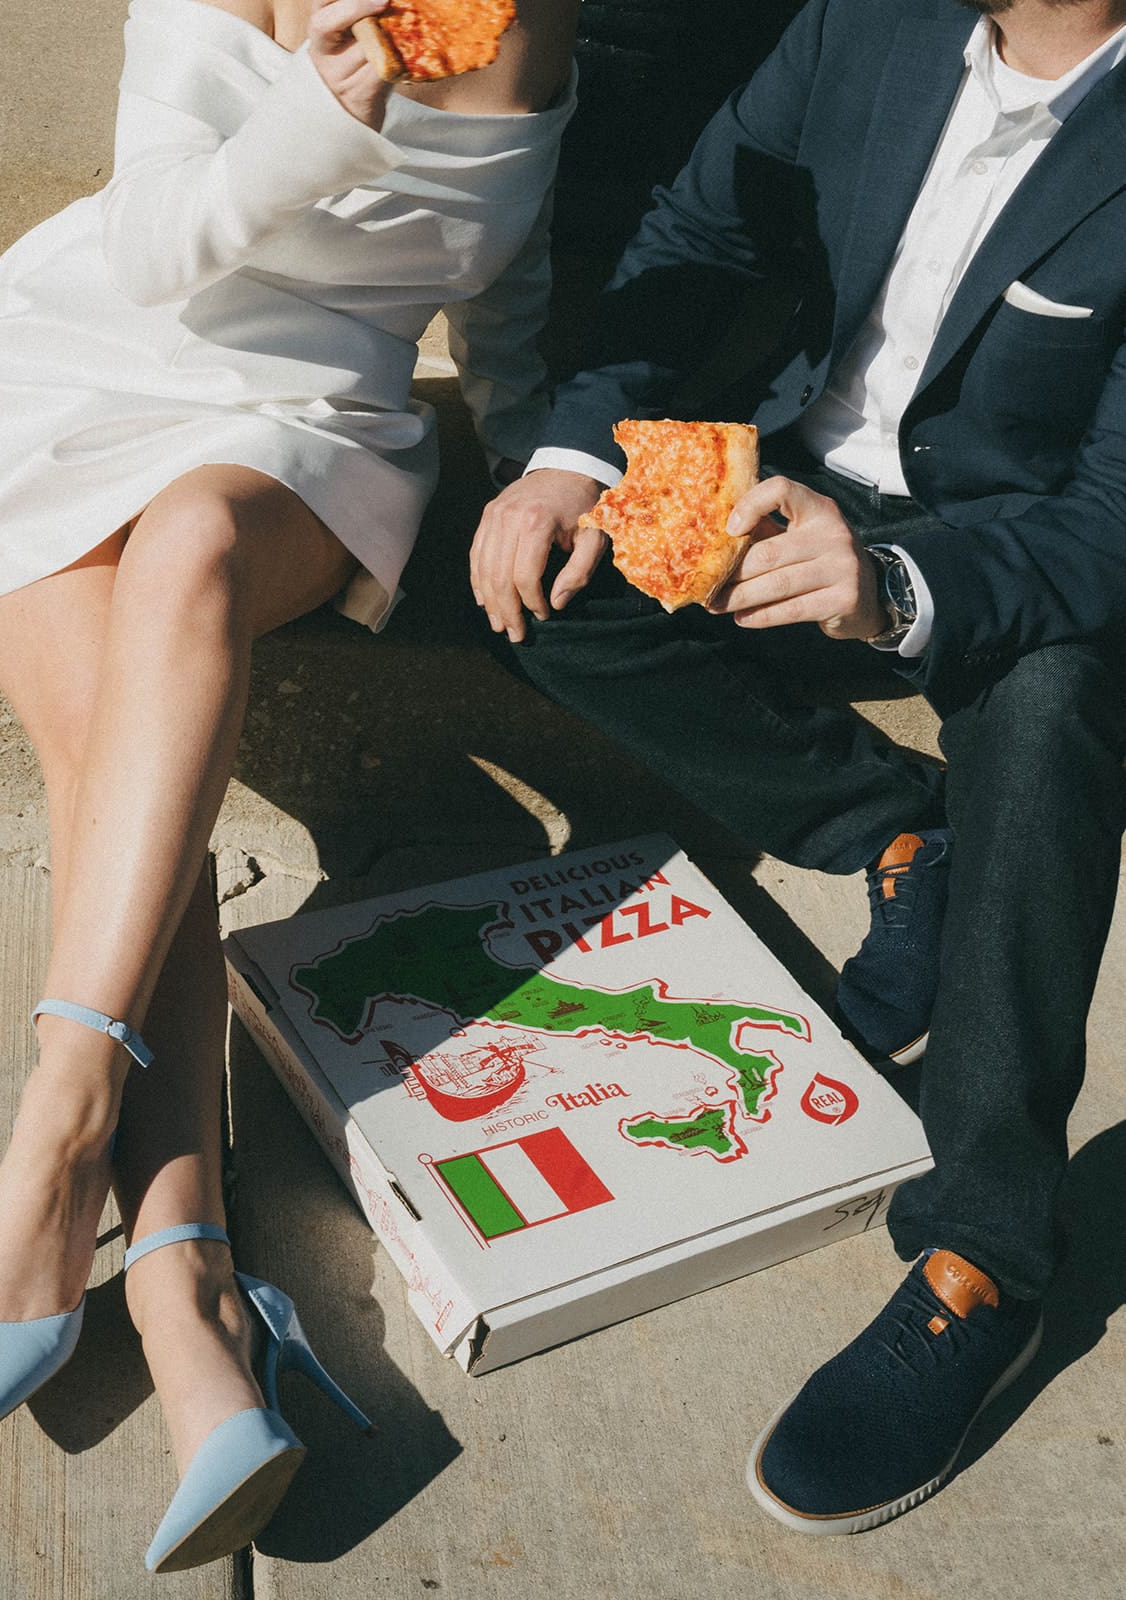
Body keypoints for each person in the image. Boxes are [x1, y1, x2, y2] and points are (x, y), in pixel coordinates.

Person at [471, 0, 1126, 1534]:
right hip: (799, 464)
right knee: (537, 588)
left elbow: (1112, 515)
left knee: (1046, 722)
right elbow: (693, 236)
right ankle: (893, 832)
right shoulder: (865, 24)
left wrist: (897, 591)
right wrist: (573, 457)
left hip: (1021, 547)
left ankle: (980, 1256)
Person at [0, 0, 578, 1573]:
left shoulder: (537, 18)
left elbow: (511, 282)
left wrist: (545, 462)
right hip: (68, 366)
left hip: (312, 425)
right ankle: (188, 1295)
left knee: (183, 557)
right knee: (123, 793)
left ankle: (57, 1145)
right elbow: (160, 248)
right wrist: (322, 104)